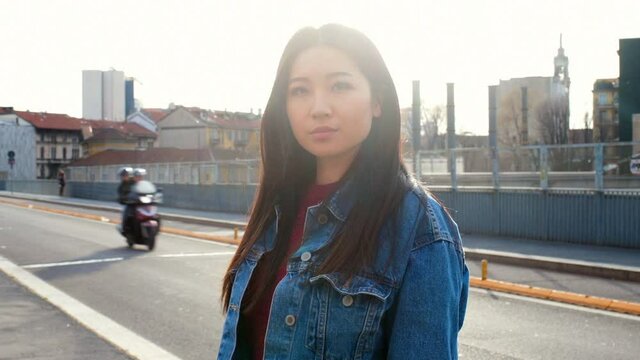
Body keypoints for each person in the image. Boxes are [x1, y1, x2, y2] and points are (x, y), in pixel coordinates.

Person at [218, 24, 469, 360]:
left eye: (340, 85)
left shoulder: (418, 228)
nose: (318, 107)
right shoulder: (277, 209)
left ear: (377, 101)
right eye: (300, 91)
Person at [116, 167, 134, 234]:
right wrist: (121, 199)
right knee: (124, 212)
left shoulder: (135, 182)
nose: (124, 176)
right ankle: (124, 227)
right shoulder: (121, 186)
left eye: (126, 175)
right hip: (129, 203)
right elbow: (120, 195)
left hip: (138, 202)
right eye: (123, 175)